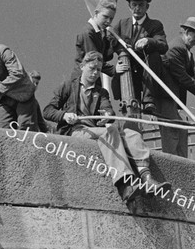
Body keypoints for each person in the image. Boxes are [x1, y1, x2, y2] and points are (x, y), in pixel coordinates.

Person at [44, 51, 171, 203]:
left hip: (95, 130)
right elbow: (48, 111)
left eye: (98, 69)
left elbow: (108, 110)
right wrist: (64, 116)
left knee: (132, 134)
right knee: (110, 132)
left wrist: (107, 115)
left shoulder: (101, 92)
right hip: (76, 131)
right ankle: (125, 184)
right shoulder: (68, 86)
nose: (96, 73)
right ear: (82, 66)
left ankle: (147, 178)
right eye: (92, 68)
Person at [158, 17, 195, 157]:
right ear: (185, 31)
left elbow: (192, 74)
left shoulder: (186, 50)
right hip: (166, 96)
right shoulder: (176, 48)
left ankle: (182, 163)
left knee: (181, 129)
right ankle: (172, 163)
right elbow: (184, 77)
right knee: (172, 130)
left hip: (172, 98)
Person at [111, 0, 167, 114]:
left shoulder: (154, 25)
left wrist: (148, 40)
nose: (137, 8)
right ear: (129, 6)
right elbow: (110, 43)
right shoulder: (122, 24)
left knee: (155, 55)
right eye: (133, 5)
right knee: (131, 113)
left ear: (147, 7)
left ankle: (148, 101)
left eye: (141, 5)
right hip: (128, 72)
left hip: (147, 73)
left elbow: (163, 45)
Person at [74, 0, 117, 78]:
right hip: (82, 79)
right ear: (96, 13)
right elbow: (94, 60)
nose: (108, 21)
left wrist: (112, 41)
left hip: (92, 76)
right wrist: (115, 70)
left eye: (111, 18)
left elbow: (106, 56)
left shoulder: (100, 32)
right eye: (105, 17)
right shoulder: (88, 32)